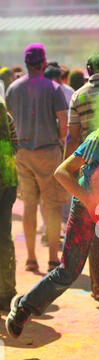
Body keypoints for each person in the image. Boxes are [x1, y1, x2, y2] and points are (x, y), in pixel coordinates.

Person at [6, 81, 99, 360]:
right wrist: (89, 199)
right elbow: (62, 172)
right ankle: (24, 307)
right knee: (69, 271)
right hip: (86, 208)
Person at [6, 43, 69, 272]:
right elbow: (63, 123)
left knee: (29, 206)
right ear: (43, 62)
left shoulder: (12, 89)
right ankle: (53, 258)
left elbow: (10, 122)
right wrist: (60, 140)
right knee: (51, 206)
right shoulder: (53, 89)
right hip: (48, 152)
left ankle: (31, 258)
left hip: (22, 153)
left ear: (26, 63)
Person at [66, 52, 99, 302]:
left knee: (97, 228)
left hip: (92, 169)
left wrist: (70, 170)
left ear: (88, 70)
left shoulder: (79, 95)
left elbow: (72, 136)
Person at [0, 96, 18, 312]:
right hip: (7, 181)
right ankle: (7, 292)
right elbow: (15, 146)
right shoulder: (6, 117)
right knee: (5, 238)